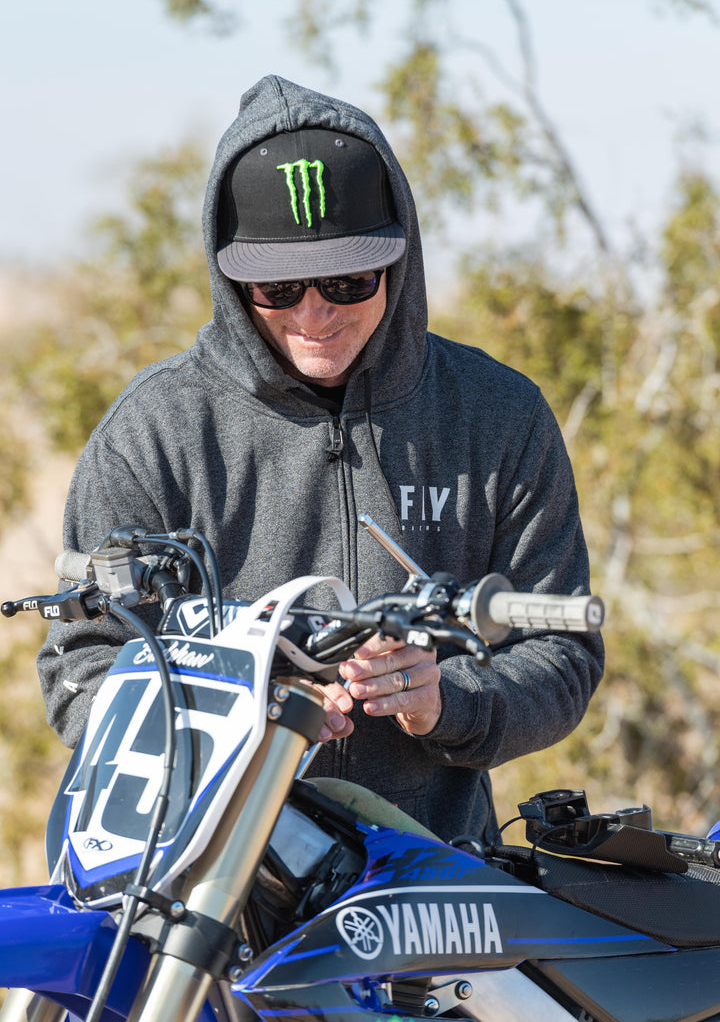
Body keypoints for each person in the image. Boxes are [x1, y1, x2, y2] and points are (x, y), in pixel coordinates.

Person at [37, 74, 604, 845]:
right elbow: (82, 669)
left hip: (439, 886)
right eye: (277, 288)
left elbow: (563, 654)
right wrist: (238, 716)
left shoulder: (499, 415)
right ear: (231, 277)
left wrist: (449, 703)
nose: (314, 315)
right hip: (210, 881)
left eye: (346, 280)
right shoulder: (154, 430)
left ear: (396, 263)